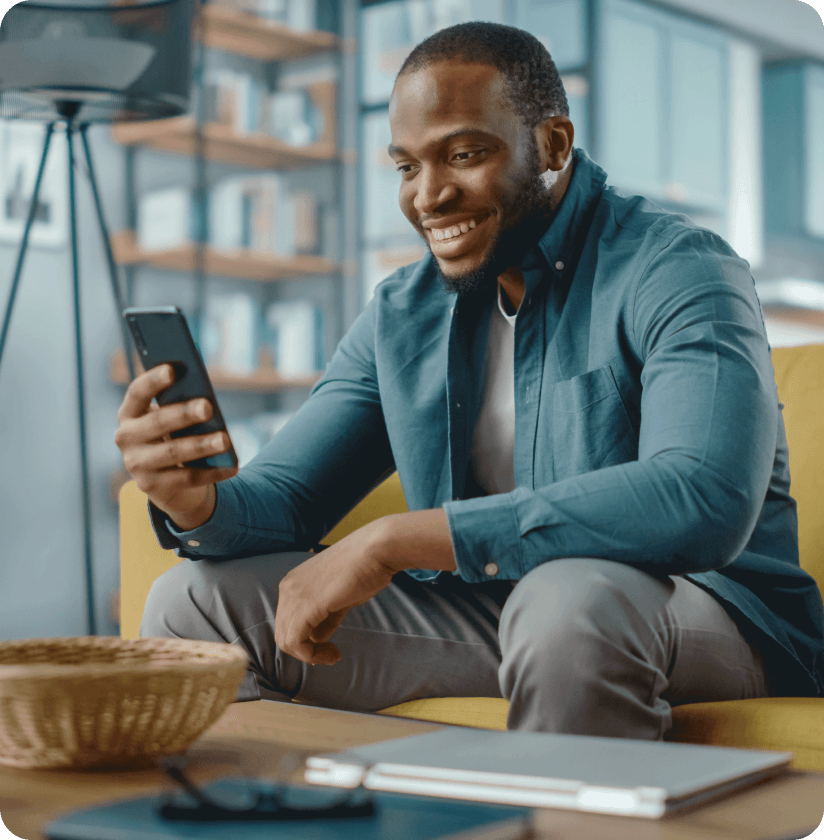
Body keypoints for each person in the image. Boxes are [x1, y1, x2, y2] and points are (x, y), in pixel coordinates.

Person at [115, 21, 824, 739]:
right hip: (503, 615)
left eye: (463, 154)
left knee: (566, 603)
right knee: (193, 603)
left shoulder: (680, 269)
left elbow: (702, 495)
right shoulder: (402, 311)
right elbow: (290, 498)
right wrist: (198, 503)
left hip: (710, 616)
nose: (429, 196)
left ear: (552, 144)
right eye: (407, 167)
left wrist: (397, 540)